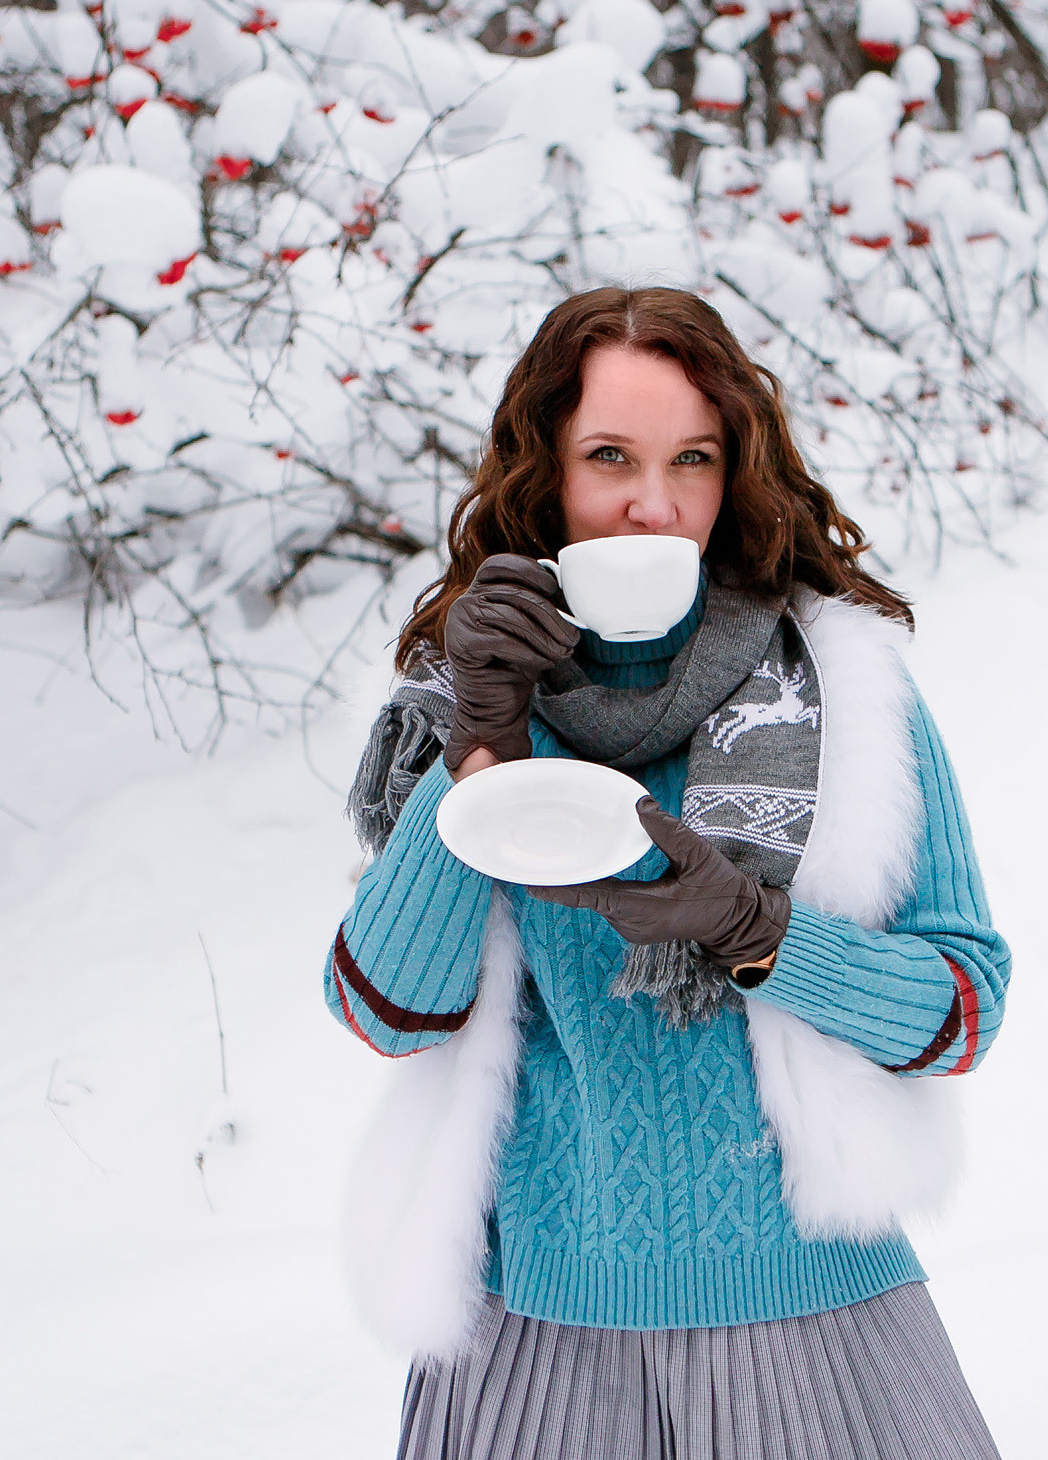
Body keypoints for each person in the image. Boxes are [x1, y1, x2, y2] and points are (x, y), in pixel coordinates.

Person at [328, 286, 1009, 1458]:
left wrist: (759, 932)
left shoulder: (842, 687)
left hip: (813, 1326)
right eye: (609, 457)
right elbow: (386, 1009)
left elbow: (960, 1008)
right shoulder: (463, 700)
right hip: (528, 1348)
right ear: (543, 476)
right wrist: (479, 750)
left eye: (691, 458)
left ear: (732, 471)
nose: (653, 504)